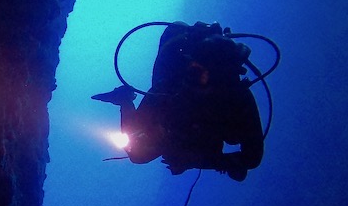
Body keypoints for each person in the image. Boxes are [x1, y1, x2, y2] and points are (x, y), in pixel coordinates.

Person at [92, 21, 264, 181]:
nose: (192, 74)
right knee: (138, 154)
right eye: (192, 66)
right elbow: (138, 133)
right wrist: (159, 135)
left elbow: (253, 157)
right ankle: (125, 99)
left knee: (212, 147)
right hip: (174, 123)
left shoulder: (239, 99)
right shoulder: (172, 85)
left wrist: (193, 161)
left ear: (219, 75)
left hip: (204, 132)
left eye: (199, 70)